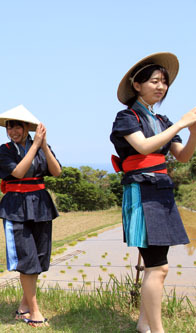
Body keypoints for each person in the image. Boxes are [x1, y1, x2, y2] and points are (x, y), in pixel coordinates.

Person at [110, 52, 196, 333]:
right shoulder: (126, 117)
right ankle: (156, 330)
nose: (161, 87)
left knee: (158, 266)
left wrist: (192, 131)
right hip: (142, 192)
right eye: (154, 81)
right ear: (137, 85)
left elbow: (182, 156)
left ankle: (145, 324)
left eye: (164, 82)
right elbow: (144, 147)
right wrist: (180, 124)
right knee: (157, 266)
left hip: (161, 191)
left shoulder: (162, 119)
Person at [0, 105, 61, 327]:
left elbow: (57, 171)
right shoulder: (4, 150)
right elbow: (19, 172)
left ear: (27, 127)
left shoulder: (40, 146)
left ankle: (23, 307)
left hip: (41, 204)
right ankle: (35, 312)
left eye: (17, 127)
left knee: (39, 258)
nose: (12, 131)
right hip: (16, 207)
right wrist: (35, 147)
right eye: (9, 127)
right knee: (27, 259)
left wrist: (44, 146)